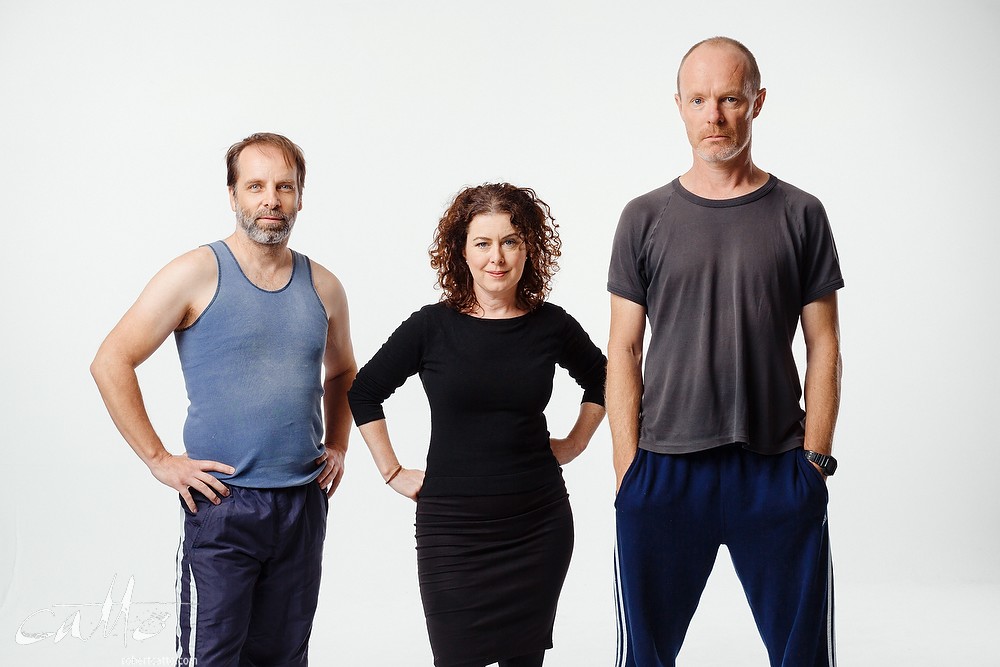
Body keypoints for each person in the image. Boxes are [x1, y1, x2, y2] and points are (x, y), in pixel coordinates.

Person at [607, 37, 844, 667]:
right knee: (643, 658)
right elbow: (624, 349)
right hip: (663, 466)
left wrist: (815, 459)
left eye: (730, 99)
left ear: (757, 103)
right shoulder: (643, 217)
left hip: (775, 466)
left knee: (804, 657)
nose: (714, 115)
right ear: (679, 107)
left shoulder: (801, 213)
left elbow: (825, 345)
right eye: (699, 99)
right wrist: (629, 472)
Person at [91, 132, 357, 666]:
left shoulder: (323, 286)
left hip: (302, 502)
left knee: (285, 656)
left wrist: (338, 445)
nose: (271, 199)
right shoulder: (194, 273)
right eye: (255, 185)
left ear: (301, 196)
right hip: (222, 502)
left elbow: (344, 370)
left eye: (285, 186)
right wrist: (160, 460)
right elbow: (110, 360)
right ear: (233, 195)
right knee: (213, 657)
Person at [348, 183, 606, 667]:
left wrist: (575, 442)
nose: (497, 258)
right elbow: (363, 392)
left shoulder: (551, 325)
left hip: (537, 524)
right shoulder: (431, 327)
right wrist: (391, 471)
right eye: (483, 243)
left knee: (524, 660)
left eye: (510, 241)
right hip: (452, 530)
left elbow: (605, 379)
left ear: (529, 248)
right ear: (460, 251)